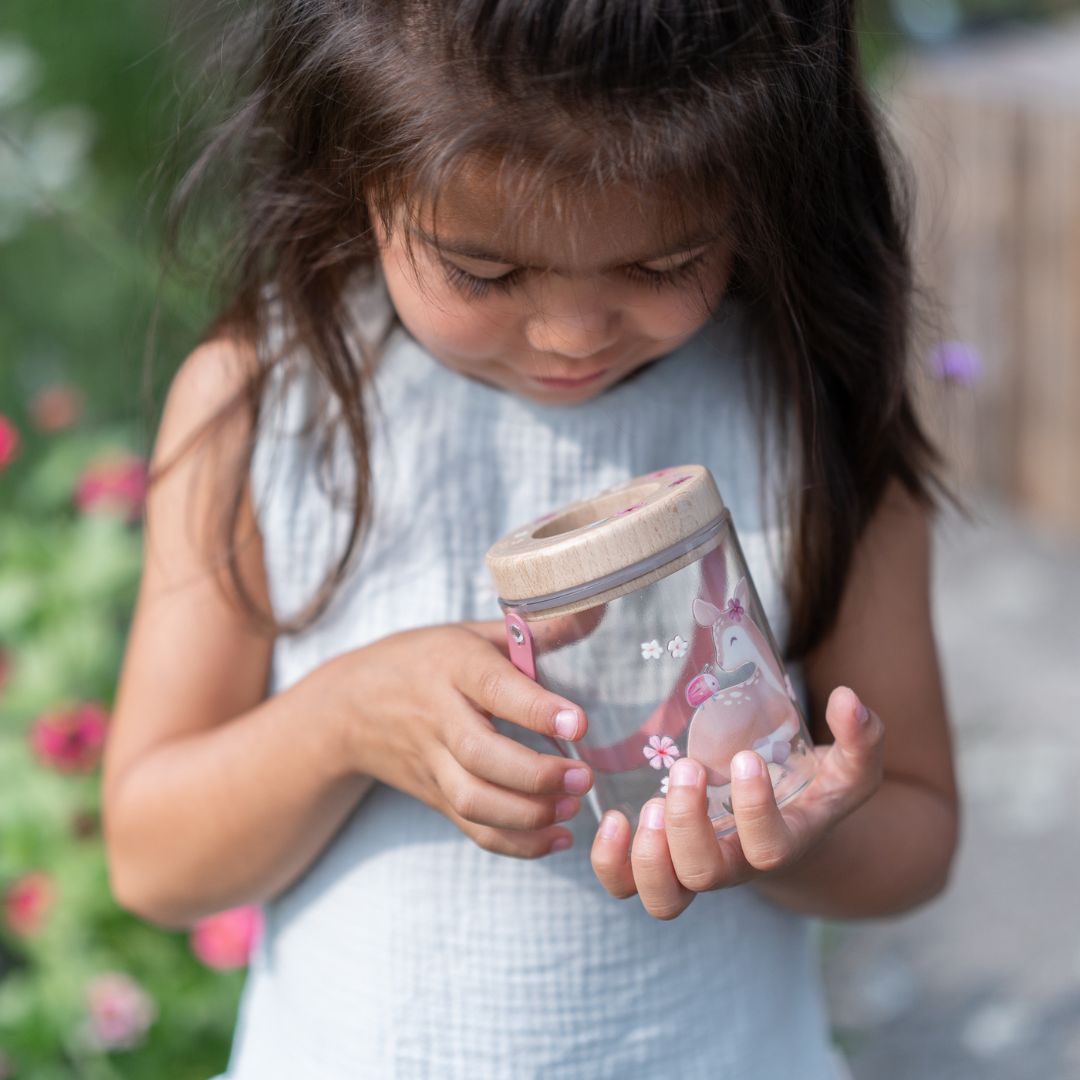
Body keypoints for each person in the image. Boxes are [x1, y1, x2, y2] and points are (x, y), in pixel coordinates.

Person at [102, 2, 961, 1077]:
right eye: (484, 271)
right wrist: (341, 721)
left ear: (763, 192)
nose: (570, 334)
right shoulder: (267, 407)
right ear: (353, 176)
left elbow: (918, 832)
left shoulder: (806, 414)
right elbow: (153, 860)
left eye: (663, 264)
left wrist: (794, 832)